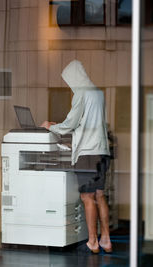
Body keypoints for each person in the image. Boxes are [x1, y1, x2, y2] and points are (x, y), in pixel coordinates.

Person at [41, 59, 112, 253]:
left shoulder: (81, 93)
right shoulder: (98, 92)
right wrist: (64, 125)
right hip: (102, 151)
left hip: (87, 154)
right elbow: (85, 122)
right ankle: (106, 239)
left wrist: (51, 126)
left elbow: (71, 123)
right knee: (99, 195)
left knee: (86, 197)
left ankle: (92, 241)